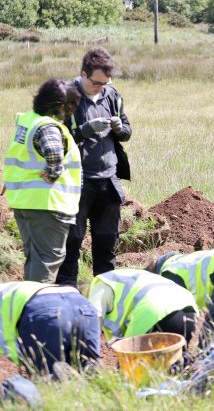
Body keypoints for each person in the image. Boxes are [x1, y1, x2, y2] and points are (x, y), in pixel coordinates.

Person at [56, 48, 132, 287]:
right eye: (96, 83)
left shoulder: (112, 96)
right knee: (71, 243)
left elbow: (127, 132)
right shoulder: (66, 97)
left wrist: (120, 128)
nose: (101, 88)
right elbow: (54, 137)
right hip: (77, 182)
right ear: (83, 74)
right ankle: (66, 297)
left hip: (108, 181)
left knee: (107, 243)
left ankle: (105, 298)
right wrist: (85, 130)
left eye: (105, 83)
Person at [3, 79, 82, 283]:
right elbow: (54, 156)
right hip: (47, 204)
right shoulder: (48, 127)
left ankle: (26, 305)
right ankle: (37, 309)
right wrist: (53, 173)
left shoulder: (29, 120)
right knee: (48, 260)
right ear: (60, 106)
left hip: (24, 201)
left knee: (35, 259)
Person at [0, 281, 99, 374]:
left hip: (45, 309)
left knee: (48, 377)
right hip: (83, 305)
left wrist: (25, 363)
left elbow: (6, 340)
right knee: (90, 372)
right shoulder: (11, 289)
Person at [88, 269, 198, 343]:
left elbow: (93, 322)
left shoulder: (98, 286)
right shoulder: (125, 275)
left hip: (153, 312)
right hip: (189, 307)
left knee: (130, 369)